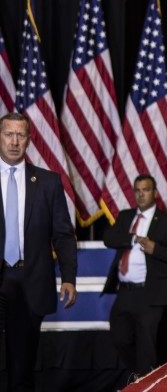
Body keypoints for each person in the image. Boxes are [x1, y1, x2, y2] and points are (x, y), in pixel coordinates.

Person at [0, 112, 77, 391]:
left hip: (29, 283)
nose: (14, 141)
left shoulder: (48, 182)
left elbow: (63, 235)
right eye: (9, 134)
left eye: (20, 135)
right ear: (0, 137)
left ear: (29, 140)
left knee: (22, 367)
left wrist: (69, 277)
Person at [102, 174, 167, 381]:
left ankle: (146, 380)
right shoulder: (125, 217)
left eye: (146, 190)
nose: (141, 195)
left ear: (155, 193)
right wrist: (132, 238)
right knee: (119, 337)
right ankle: (137, 373)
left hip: (150, 294)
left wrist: (155, 248)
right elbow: (108, 238)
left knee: (146, 343)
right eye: (138, 190)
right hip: (125, 292)